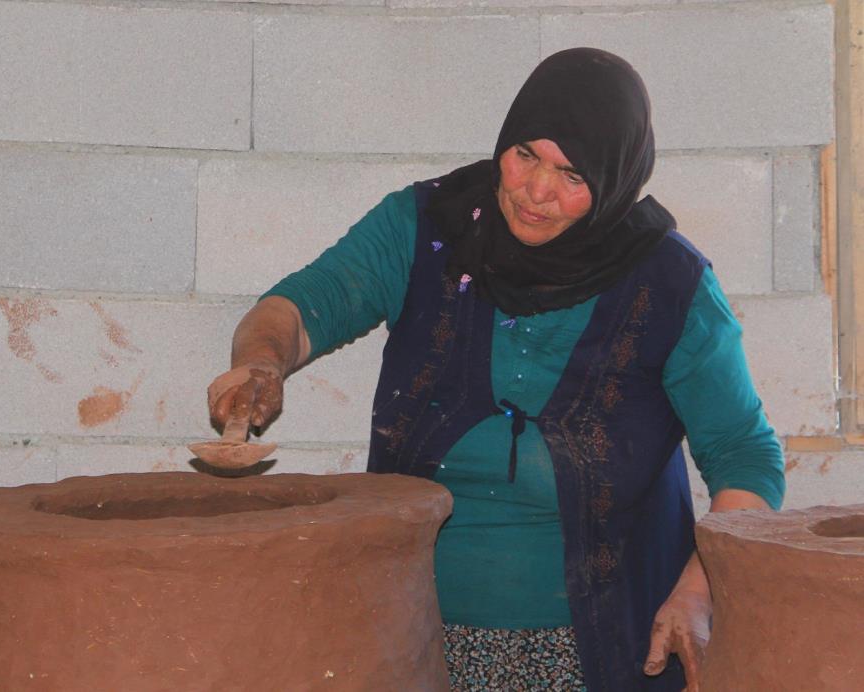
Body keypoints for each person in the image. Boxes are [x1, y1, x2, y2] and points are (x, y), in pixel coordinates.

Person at [206, 48, 784, 691]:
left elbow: (745, 456)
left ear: (617, 178)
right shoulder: (427, 226)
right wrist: (262, 360)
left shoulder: (670, 283)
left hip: (604, 647)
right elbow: (303, 303)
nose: (537, 192)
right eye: (526, 155)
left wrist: (700, 592)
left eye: (572, 175)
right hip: (414, 635)